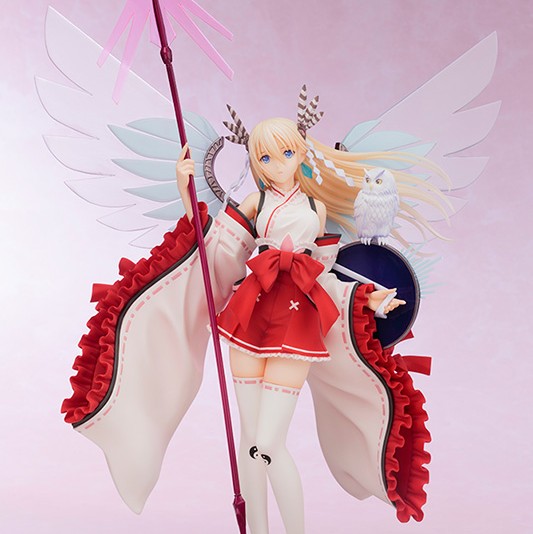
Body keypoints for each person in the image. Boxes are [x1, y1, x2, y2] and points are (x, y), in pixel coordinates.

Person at [176, 111, 408, 534]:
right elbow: (219, 249)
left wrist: (365, 297)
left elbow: (325, 275)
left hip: (297, 318)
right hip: (251, 310)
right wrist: (185, 193)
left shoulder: (317, 209)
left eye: (285, 153)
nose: (277, 164)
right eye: (265, 158)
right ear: (255, 162)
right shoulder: (256, 202)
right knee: (250, 439)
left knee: (268, 442)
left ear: (300, 153)